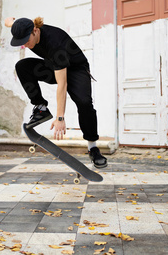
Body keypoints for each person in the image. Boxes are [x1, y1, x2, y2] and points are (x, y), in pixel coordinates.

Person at [7, 16, 107, 168]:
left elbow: (62, 84)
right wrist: (10, 22)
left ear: (35, 31)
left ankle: (93, 147)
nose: (26, 45)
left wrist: (60, 118)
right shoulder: (26, 28)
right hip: (53, 66)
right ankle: (41, 108)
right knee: (22, 66)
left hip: (76, 69)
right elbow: (10, 22)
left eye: (27, 41)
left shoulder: (55, 43)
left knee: (84, 102)